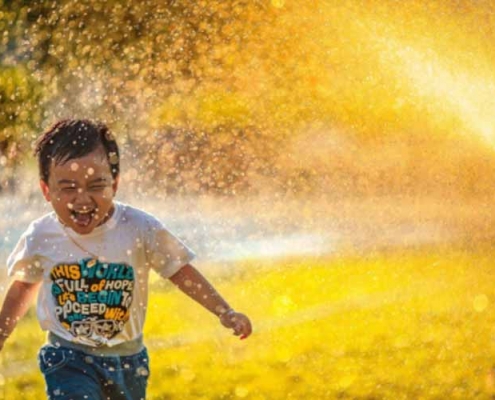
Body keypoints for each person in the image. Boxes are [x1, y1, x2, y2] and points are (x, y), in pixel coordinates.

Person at [0, 119, 252, 400]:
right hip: (67, 356)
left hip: (128, 361)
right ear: (47, 190)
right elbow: (23, 286)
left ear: (115, 184)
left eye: (96, 185)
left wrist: (223, 311)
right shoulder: (41, 235)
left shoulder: (139, 228)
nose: (82, 200)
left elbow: (179, 270)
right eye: (68, 187)